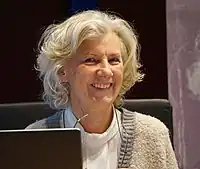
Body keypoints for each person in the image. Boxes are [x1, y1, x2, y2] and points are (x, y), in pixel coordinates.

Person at [26, 10, 179, 169]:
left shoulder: (153, 135)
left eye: (114, 60)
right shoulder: (34, 138)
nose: (106, 71)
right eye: (91, 60)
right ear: (62, 71)